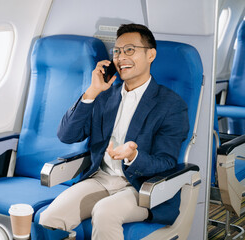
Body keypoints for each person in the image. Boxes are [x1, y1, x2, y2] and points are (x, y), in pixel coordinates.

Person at [39, 23, 189, 239]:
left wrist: (133, 156)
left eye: (130, 50)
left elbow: (166, 161)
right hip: (101, 178)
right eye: (117, 51)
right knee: (49, 219)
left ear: (151, 55)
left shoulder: (171, 105)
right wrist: (92, 91)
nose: (121, 57)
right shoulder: (105, 95)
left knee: (104, 212)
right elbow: (67, 135)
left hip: (141, 187)